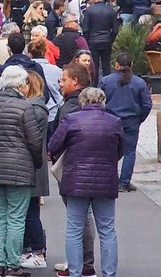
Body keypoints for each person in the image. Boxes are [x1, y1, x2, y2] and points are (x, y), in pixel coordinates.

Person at [49, 88, 124, 277]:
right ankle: (109, 273)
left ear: (82, 101)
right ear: (103, 101)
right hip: (105, 181)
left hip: (76, 181)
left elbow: (53, 145)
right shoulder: (114, 122)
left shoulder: (71, 120)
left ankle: (75, 272)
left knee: (74, 228)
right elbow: (121, 149)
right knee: (107, 230)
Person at [0, 66, 43, 277]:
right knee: (16, 217)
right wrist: (36, 164)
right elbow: (35, 142)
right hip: (19, 168)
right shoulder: (25, 108)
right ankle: (12, 264)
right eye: (26, 83)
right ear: (19, 85)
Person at [98, 53, 152, 192]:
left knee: (110, 151)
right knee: (129, 152)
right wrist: (140, 118)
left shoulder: (105, 81)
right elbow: (146, 104)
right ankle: (124, 182)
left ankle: (109, 180)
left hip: (110, 120)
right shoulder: (139, 83)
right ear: (132, 65)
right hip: (131, 120)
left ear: (116, 65)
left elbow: (99, 102)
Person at [21, 71, 50, 270]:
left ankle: (38, 250)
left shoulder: (34, 109)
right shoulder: (37, 107)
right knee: (29, 213)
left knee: (30, 213)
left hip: (32, 167)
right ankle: (32, 248)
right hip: (33, 167)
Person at [28, 39, 63, 142]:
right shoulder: (57, 71)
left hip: (32, 113)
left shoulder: (26, 71)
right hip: (53, 112)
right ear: (44, 52)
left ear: (29, 54)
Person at [81, 0, 117, 80]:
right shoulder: (111, 11)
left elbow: (85, 29)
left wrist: (87, 41)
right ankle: (108, 84)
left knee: (94, 66)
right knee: (106, 65)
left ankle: (94, 85)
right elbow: (115, 29)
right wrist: (110, 39)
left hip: (93, 41)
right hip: (106, 40)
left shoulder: (89, 11)